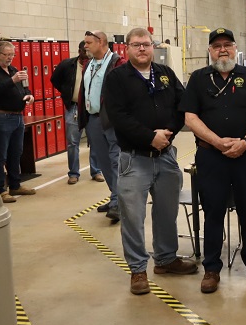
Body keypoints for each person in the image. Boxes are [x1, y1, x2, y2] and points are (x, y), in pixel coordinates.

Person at [104, 28, 197, 295]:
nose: (142, 49)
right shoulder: (117, 78)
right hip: (135, 159)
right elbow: (118, 117)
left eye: (146, 44)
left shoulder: (165, 74)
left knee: (167, 211)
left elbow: (183, 104)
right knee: (133, 216)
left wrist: (167, 133)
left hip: (165, 156)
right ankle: (137, 270)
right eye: (136, 45)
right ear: (127, 49)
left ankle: (166, 260)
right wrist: (149, 137)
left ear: (153, 46)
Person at [180, 28, 246, 294]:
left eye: (227, 45)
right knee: (213, 212)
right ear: (210, 51)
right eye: (216, 46)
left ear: (235, 48)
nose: (222, 50)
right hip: (210, 156)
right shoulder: (198, 79)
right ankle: (211, 269)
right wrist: (218, 142)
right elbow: (190, 118)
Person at [80, 30, 125, 222]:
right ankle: (114, 196)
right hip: (93, 120)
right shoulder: (88, 65)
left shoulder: (117, 63)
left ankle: (118, 202)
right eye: (85, 43)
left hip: (111, 120)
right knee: (104, 162)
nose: (85, 46)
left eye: (89, 42)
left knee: (116, 161)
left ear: (102, 42)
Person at [50, 40, 104, 185]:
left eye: (89, 51)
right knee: (73, 142)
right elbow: (55, 80)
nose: (87, 54)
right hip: (74, 107)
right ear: (79, 50)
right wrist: (67, 93)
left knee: (95, 140)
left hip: (92, 108)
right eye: (84, 51)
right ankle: (73, 173)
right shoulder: (68, 65)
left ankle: (96, 171)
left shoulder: (97, 65)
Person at [0, 41, 36, 204]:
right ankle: (1, 190)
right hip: (1, 118)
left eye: (12, 55)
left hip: (17, 117)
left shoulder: (14, 70)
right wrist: (12, 80)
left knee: (16, 153)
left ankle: (15, 184)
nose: (9, 58)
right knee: (0, 156)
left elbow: (25, 89)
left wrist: (29, 96)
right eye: (6, 55)